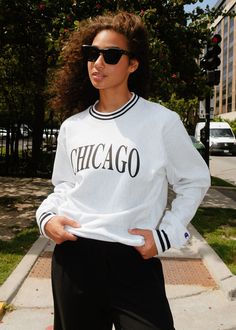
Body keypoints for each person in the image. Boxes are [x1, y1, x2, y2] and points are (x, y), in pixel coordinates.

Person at [36, 11, 210, 330]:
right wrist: (46, 219)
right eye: (92, 53)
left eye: (111, 55)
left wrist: (167, 235)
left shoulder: (161, 122)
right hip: (75, 258)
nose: (98, 63)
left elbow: (195, 181)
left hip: (133, 261)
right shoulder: (73, 127)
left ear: (133, 64)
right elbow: (62, 186)